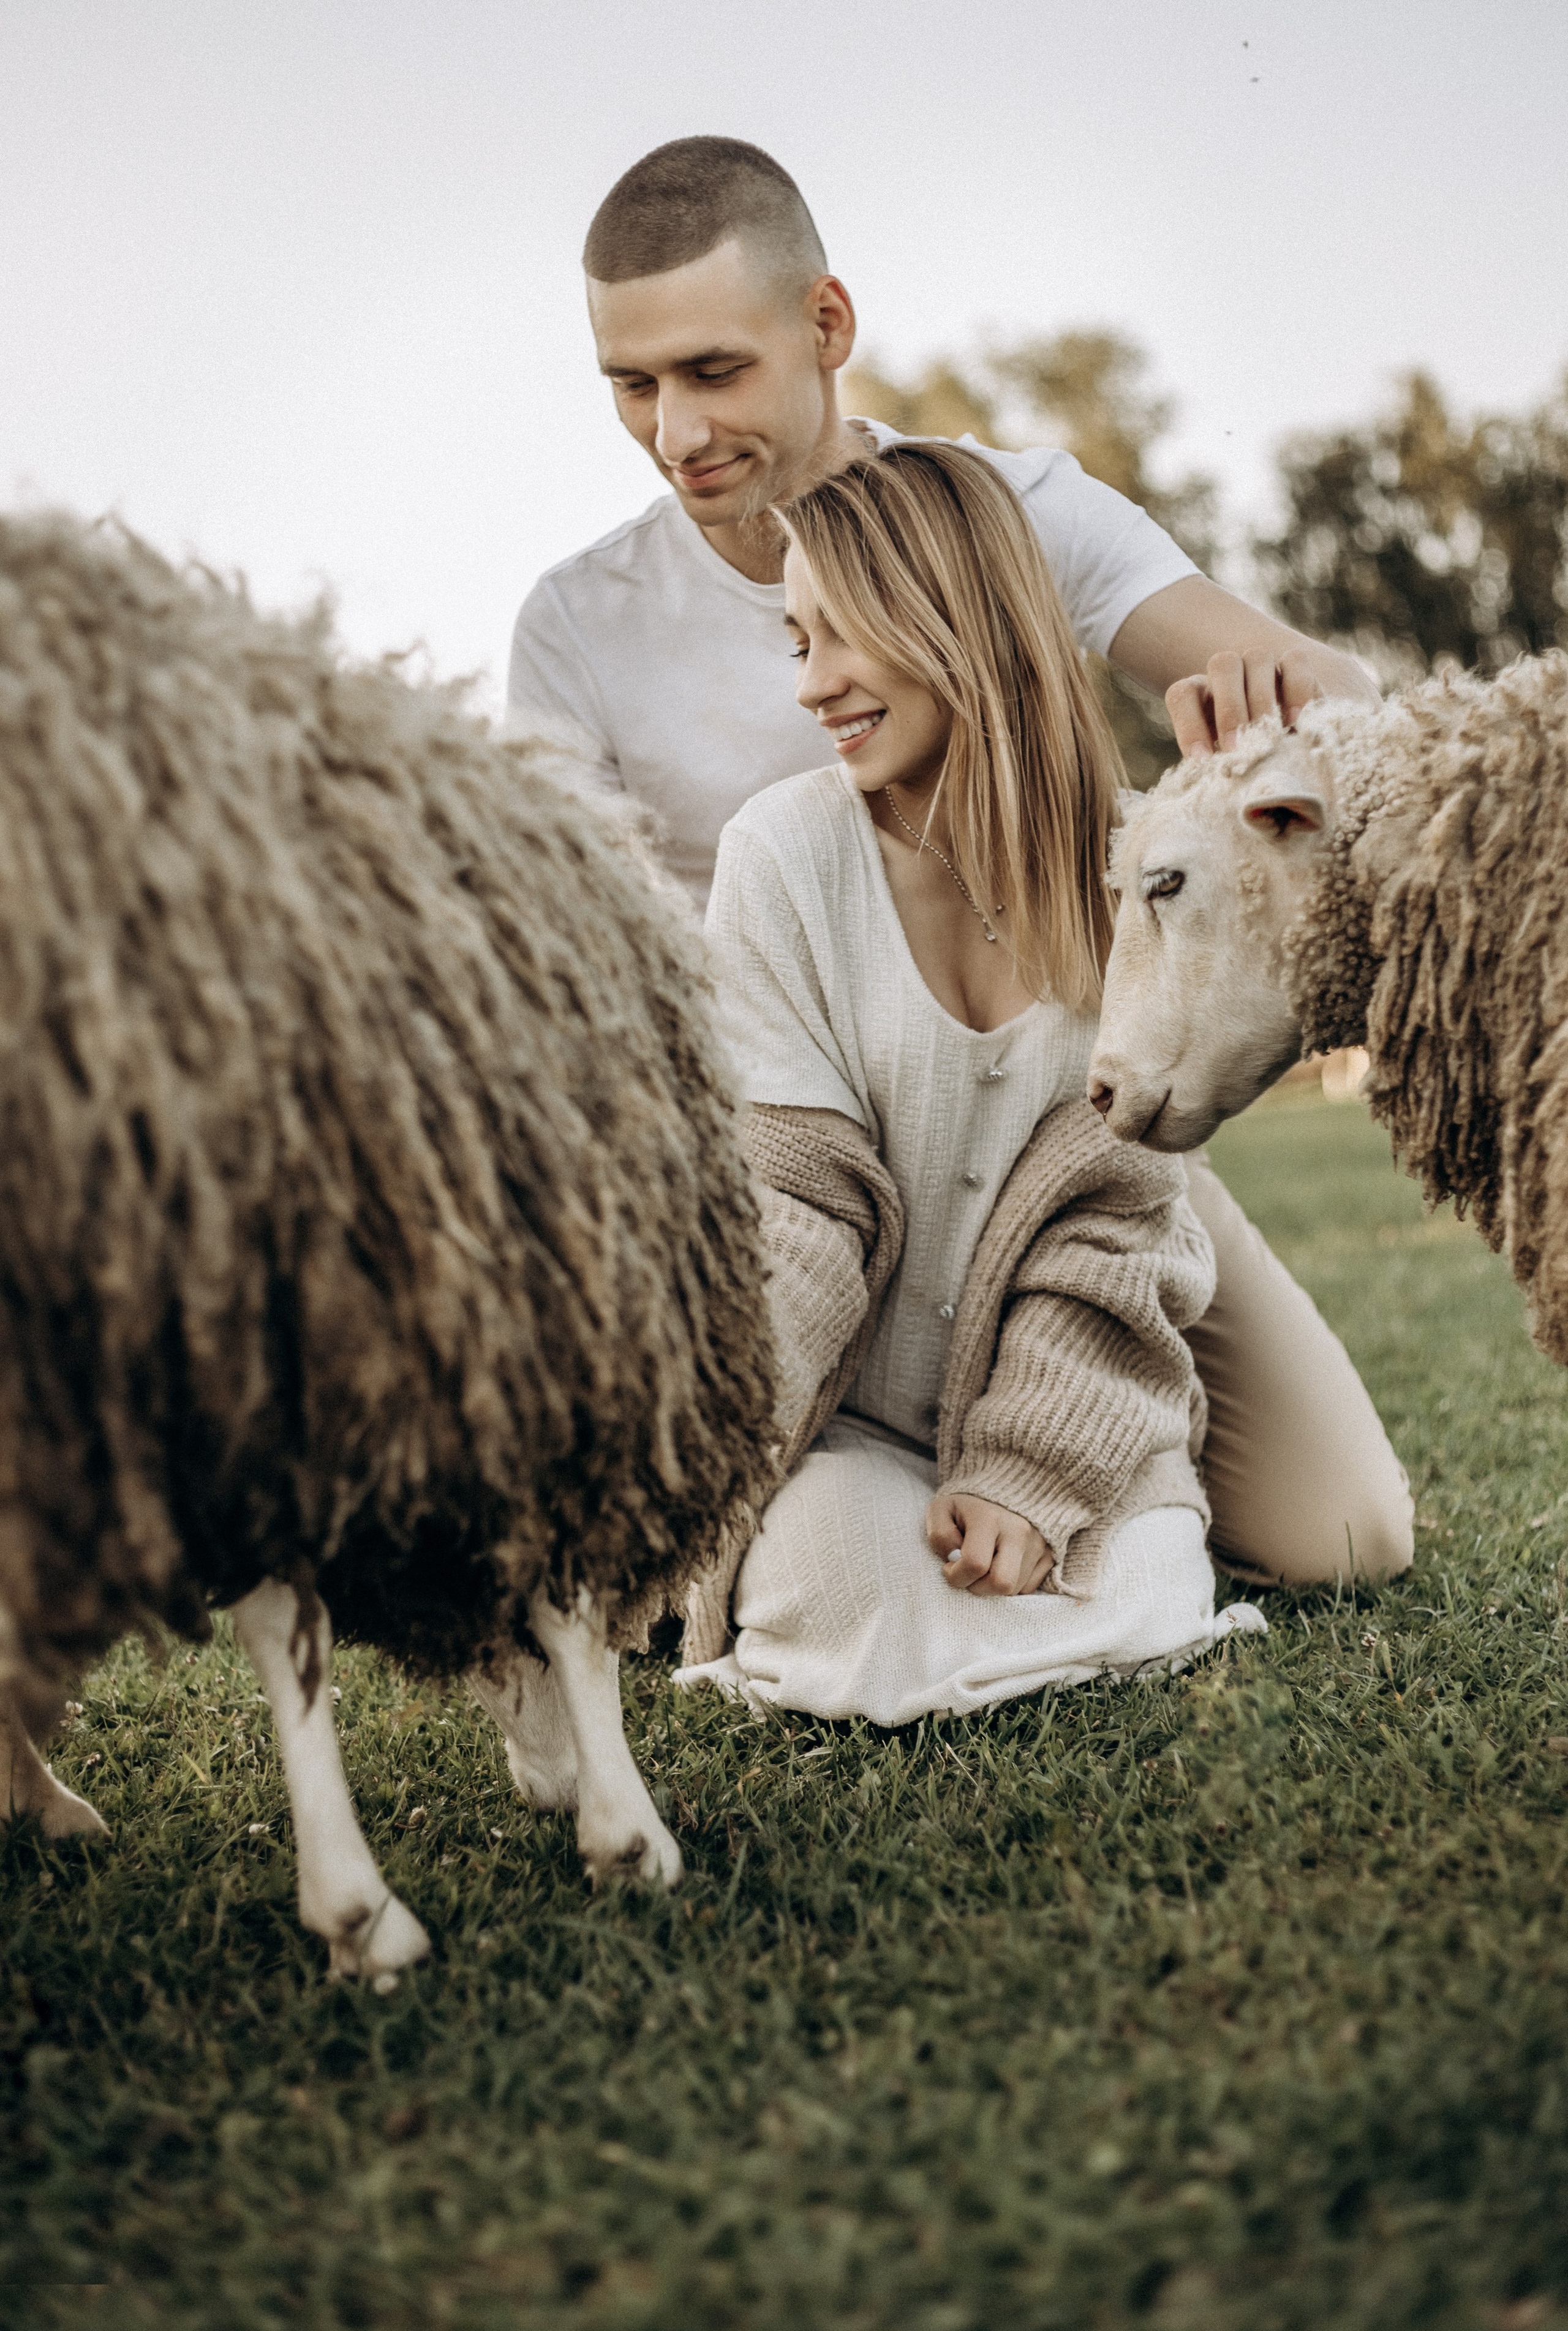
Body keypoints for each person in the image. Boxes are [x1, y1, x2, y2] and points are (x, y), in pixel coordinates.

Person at [508, 135, 1413, 1590]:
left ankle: (1065, 1422)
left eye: (713, 372)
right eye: (633, 386)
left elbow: (1323, 698)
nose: (674, 431)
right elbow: (557, 983)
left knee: (1347, 1540)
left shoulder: (1008, 514)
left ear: (827, 327)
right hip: (786, 1170)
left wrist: (1258, 728)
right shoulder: (577, 627)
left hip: (1057, 1127)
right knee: (730, 1544)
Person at [676, 442, 1267, 1720]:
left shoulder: (1135, 880)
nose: (813, 686)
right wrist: (681, 1485)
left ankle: (1034, 1614)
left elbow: (1116, 1234)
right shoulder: (777, 856)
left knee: (1153, 1560)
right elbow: (791, 1220)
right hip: (849, 1424)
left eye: (845, 637)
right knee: (829, 1570)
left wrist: (1027, 1474)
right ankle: (988, 1638)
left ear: (956, 618)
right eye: (796, 643)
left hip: (1054, 1409)